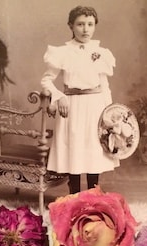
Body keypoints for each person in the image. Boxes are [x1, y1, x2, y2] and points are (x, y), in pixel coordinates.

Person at [41, 5, 119, 194]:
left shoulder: (101, 53)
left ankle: (93, 194)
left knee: (94, 150)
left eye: (90, 24)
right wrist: (59, 97)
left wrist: (109, 112)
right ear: (71, 26)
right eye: (80, 24)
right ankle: (74, 196)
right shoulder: (62, 52)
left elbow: (104, 85)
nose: (85, 29)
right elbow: (46, 80)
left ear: (95, 26)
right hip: (73, 106)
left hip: (95, 106)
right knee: (74, 150)